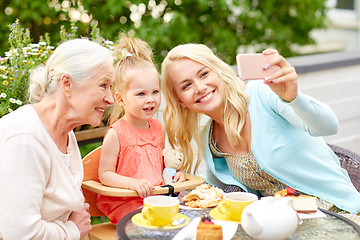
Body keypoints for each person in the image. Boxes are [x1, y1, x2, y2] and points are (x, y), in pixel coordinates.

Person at [160, 43, 360, 224]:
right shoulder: (209, 138)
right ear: (180, 101)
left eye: (204, 74)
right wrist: (186, 180)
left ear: (218, 72)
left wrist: (293, 98)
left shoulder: (261, 93)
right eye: (186, 85)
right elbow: (216, 191)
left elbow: (328, 127)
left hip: (340, 214)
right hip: (283, 226)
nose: (200, 87)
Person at [0, 38, 114, 239]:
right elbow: (19, 234)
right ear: (67, 84)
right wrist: (71, 230)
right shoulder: (25, 139)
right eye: (103, 85)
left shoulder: (64, 131)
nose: (110, 98)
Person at [96, 36, 185, 224]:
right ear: (120, 99)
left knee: (187, 212)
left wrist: (175, 175)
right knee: (152, 222)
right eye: (141, 94)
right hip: (126, 201)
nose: (150, 99)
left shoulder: (157, 127)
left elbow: (159, 167)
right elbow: (105, 175)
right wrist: (132, 183)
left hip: (155, 198)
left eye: (155, 92)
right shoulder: (116, 133)